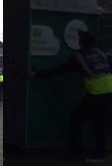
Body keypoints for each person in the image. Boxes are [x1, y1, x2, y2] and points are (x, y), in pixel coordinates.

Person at [34, 30, 112, 162]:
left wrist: (36, 75)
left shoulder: (79, 57)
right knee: (99, 123)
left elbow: (60, 70)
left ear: (80, 43)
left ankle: (77, 150)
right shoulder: (100, 53)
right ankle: (98, 153)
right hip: (109, 91)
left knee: (76, 118)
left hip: (97, 93)